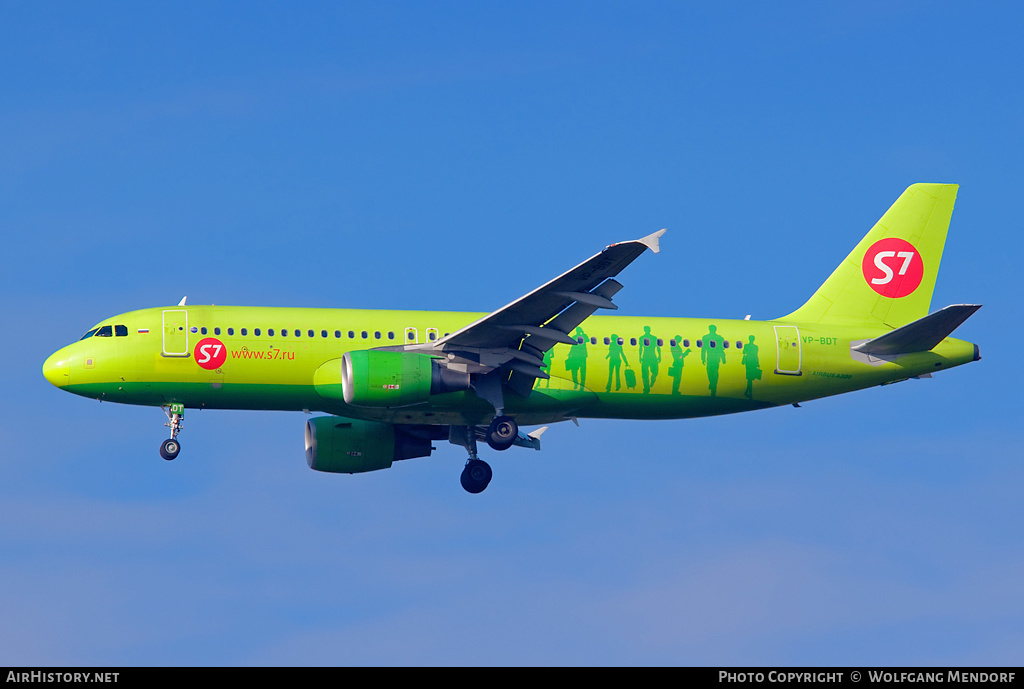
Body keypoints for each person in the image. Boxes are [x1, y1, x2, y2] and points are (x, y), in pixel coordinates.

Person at [701, 324, 726, 397]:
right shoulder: (707, 337)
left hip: (713, 358)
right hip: (713, 358)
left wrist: (703, 358)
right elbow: (703, 349)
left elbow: (721, 349)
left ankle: (713, 386)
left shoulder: (717, 338)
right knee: (711, 372)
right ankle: (712, 383)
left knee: (713, 372)